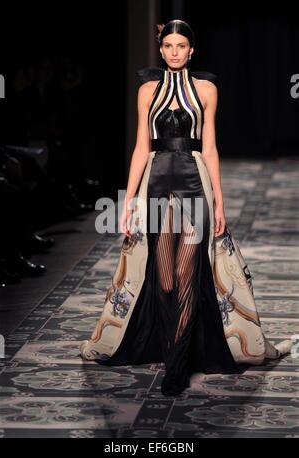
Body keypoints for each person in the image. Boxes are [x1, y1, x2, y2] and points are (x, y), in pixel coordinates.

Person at [80, 19, 293, 396]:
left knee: (187, 273)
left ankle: (176, 368)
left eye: (181, 46)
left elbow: (209, 147)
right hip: (157, 183)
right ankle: (169, 349)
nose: (174, 52)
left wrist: (221, 202)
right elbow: (141, 148)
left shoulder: (206, 88)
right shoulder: (148, 89)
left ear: (191, 50)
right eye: (168, 46)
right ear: (160, 49)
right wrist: (128, 201)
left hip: (196, 185)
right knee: (163, 279)